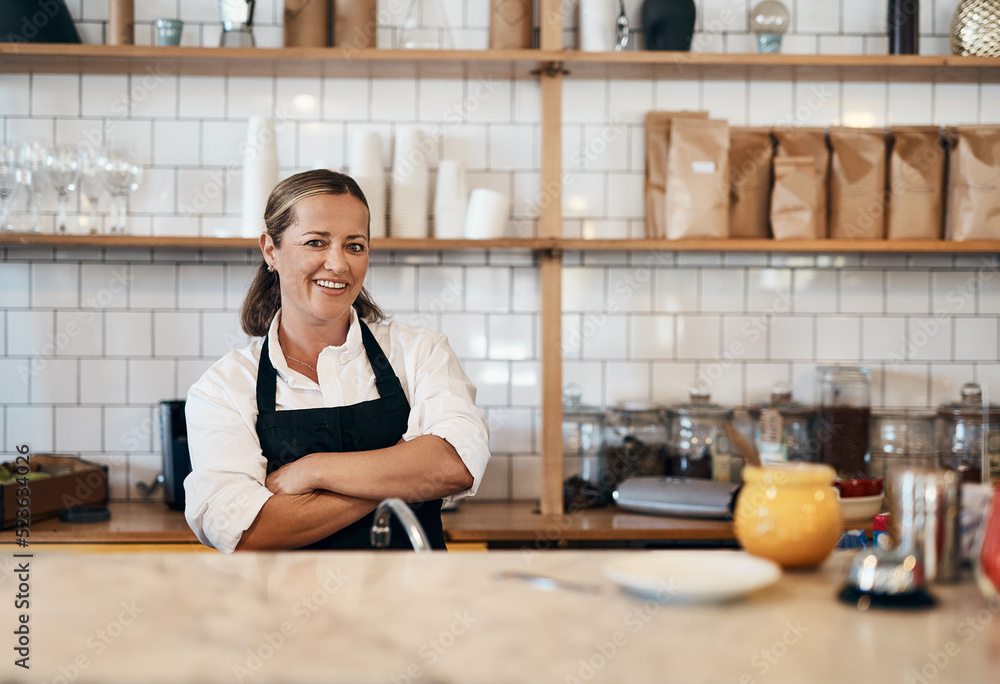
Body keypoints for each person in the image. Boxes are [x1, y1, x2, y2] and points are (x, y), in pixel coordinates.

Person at [184, 169, 490, 552]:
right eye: (316, 242)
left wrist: (311, 472)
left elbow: (453, 465)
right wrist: (402, 475)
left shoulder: (420, 352)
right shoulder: (224, 387)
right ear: (270, 250)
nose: (338, 264)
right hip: (284, 610)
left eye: (354, 245)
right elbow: (247, 531)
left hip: (412, 607)